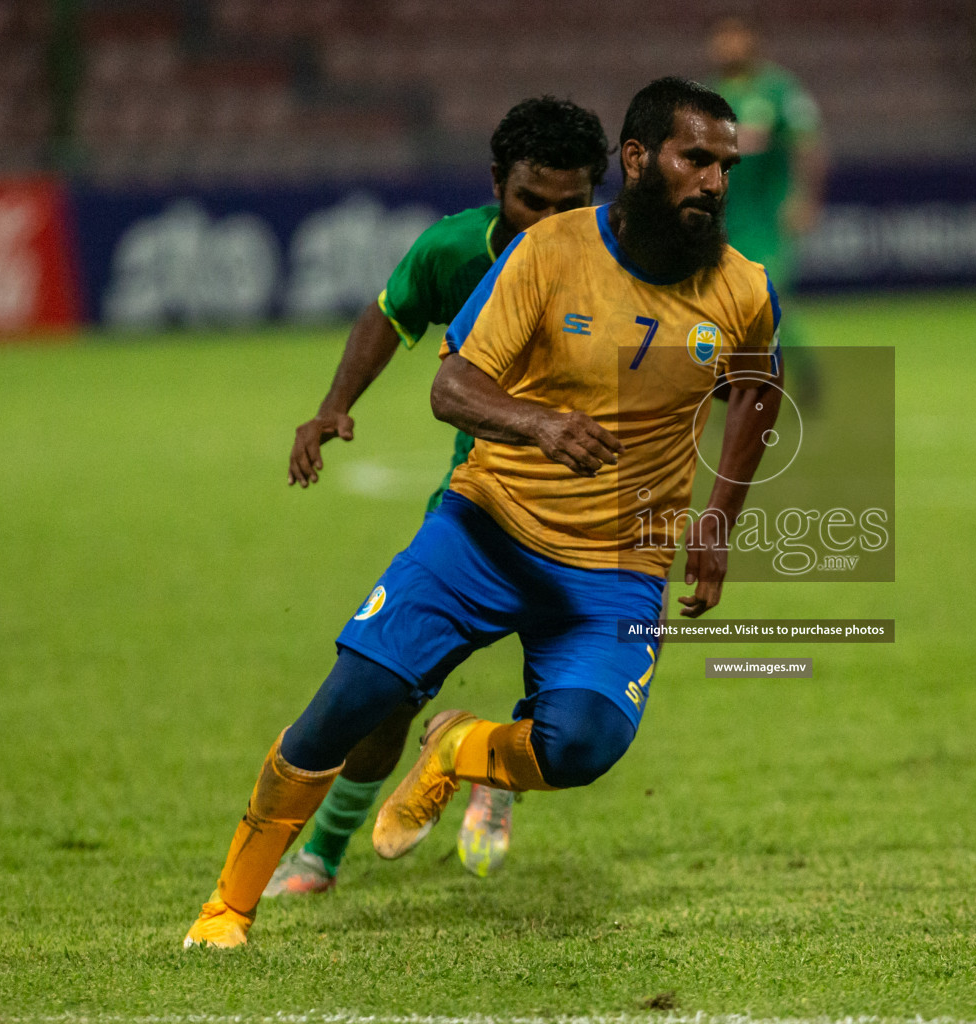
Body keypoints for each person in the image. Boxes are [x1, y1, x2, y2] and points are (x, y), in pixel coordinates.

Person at [184, 76, 784, 949]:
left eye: (726, 165)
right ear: (638, 158)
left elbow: (758, 395)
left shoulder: (743, 288)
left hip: (619, 567)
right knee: (353, 700)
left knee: (581, 748)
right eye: (697, 158)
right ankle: (226, 908)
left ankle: (460, 750)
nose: (715, 181)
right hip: (486, 531)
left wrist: (721, 520)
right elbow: (451, 383)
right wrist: (541, 424)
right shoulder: (547, 252)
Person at [271, 97, 611, 895]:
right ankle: (322, 849)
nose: (550, 222)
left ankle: (482, 758)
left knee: (574, 717)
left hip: (599, 525)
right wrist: (334, 406)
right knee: (385, 691)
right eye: (533, 201)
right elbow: (391, 314)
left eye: (573, 205)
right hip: (479, 512)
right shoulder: (455, 249)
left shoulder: (630, 263)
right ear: (498, 183)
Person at [708, 14, 825, 390]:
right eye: (722, 37)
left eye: (736, 36)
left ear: (752, 40)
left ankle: (801, 373)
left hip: (769, 217)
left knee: (765, 298)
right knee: (727, 304)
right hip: (726, 219)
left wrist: (804, 198)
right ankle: (742, 381)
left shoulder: (779, 90)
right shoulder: (710, 96)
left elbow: (809, 145)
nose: (729, 45)